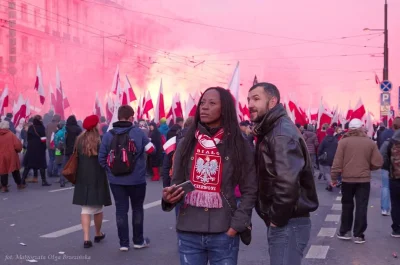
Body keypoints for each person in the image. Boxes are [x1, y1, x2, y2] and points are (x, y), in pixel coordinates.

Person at [162, 87, 257, 265]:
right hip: (188, 231)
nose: (204, 107)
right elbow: (177, 185)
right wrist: (168, 198)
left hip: (224, 231)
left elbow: (250, 189)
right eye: (202, 103)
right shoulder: (185, 142)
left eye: (212, 103)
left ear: (225, 109)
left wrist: (237, 225)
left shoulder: (239, 144)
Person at [247, 82, 318, 265]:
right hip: (287, 221)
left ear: (272, 102)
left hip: (288, 223)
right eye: (248, 99)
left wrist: (276, 219)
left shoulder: (280, 134)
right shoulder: (274, 129)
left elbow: (287, 183)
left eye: (256, 99)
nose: (250, 105)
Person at [99, 105, 155, 251]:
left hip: (116, 181)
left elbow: (101, 158)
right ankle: (138, 241)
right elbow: (151, 150)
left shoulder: (108, 135)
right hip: (137, 180)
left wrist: (111, 171)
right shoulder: (138, 132)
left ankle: (123, 243)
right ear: (131, 117)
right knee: (137, 209)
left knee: (121, 210)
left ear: (118, 117)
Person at [331, 118, 383, 244]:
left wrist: (334, 177)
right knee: (361, 206)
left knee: (347, 205)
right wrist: (368, 167)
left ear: (349, 129)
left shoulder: (343, 142)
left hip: (347, 179)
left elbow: (337, 162)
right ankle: (359, 235)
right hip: (364, 180)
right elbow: (378, 162)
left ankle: (345, 231)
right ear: (361, 128)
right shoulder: (369, 142)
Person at [72, 115, 112, 248]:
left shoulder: (79, 140)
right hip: (97, 176)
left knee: (85, 209)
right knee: (98, 208)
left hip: (82, 177)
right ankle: (98, 233)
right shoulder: (99, 141)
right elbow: (104, 159)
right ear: (95, 126)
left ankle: (86, 238)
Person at [380, 117, 400, 237]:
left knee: (396, 203)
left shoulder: (390, 142)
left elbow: (382, 157)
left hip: (395, 177)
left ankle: (397, 229)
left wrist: (389, 168)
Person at [21, 115, 51, 186]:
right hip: (39, 148)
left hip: (31, 148)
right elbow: (43, 139)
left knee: (28, 165)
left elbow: (28, 138)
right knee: (42, 165)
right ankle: (44, 181)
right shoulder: (41, 128)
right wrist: (44, 147)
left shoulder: (31, 127)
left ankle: (22, 181)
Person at [0, 120, 25, 192]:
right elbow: (18, 145)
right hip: (11, 155)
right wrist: (18, 150)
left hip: (1, 155)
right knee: (15, 170)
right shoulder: (11, 135)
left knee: (3, 171)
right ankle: (19, 184)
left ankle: (4, 187)